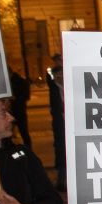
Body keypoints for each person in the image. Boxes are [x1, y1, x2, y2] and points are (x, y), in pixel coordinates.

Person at [47, 55, 67, 190]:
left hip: (67, 122)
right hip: (59, 123)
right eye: (56, 74)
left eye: (61, 74)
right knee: (60, 150)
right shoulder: (54, 87)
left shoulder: (68, 87)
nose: (59, 76)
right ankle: (61, 179)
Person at [8, 69, 32, 148]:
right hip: (16, 111)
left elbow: (26, 96)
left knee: (23, 132)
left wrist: (15, 98)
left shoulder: (19, 81)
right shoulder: (11, 81)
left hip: (17, 110)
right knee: (21, 132)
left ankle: (28, 149)